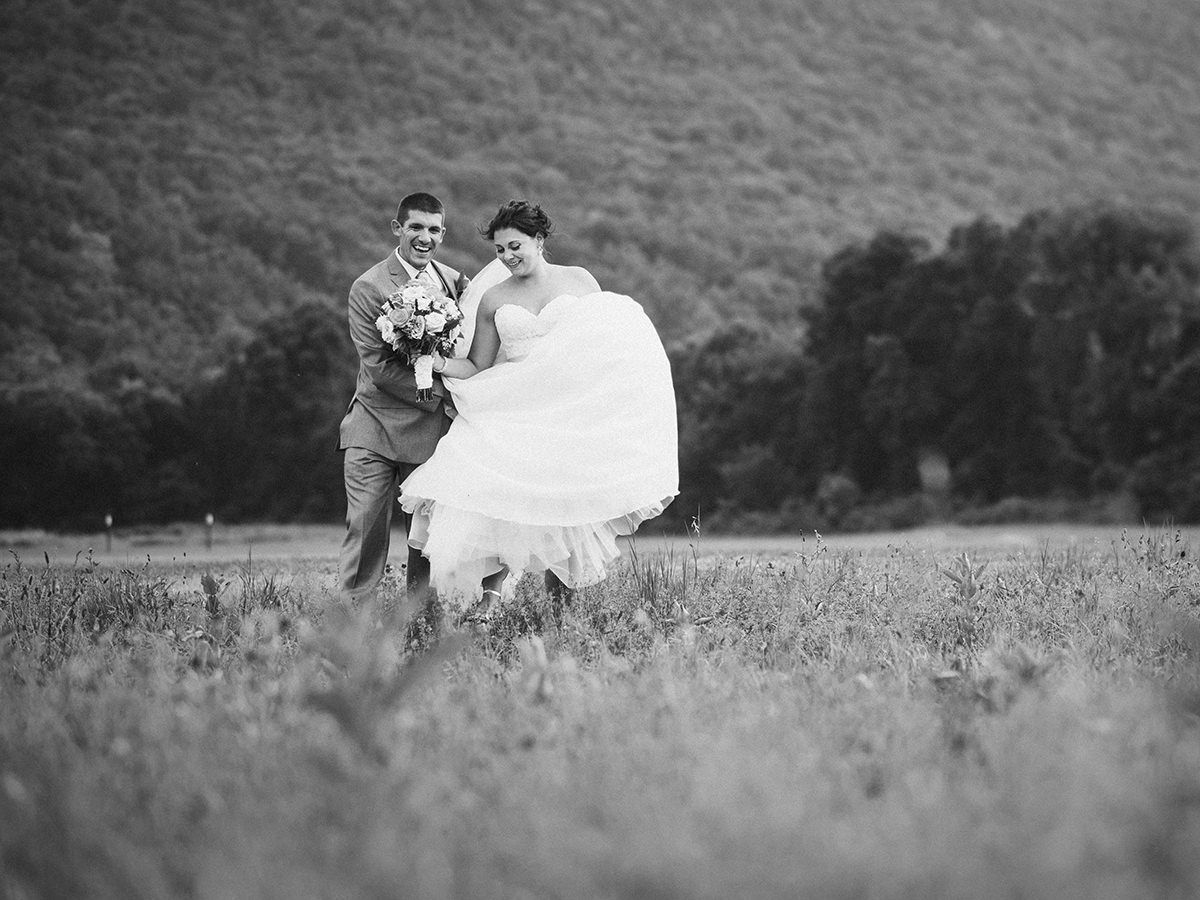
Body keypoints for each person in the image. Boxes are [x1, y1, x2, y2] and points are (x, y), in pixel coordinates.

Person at [399, 200, 678, 619]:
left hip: (568, 409)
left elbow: (604, 342)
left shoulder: (580, 280)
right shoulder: (494, 298)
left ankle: (558, 615)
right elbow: (476, 364)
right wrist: (432, 359)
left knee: (565, 510)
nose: (508, 257)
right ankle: (489, 602)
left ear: (540, 240)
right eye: (499, 250)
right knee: (498, 492)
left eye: (515, 246)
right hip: (515, 403)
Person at [337, 192, 470, 602]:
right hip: (374, 428)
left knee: (427, 533)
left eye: (433, 229)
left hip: (429, 436)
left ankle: (419, 617)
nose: (424, 237)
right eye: (415, 227)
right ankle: (352, 622)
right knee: (365, 527)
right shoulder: (369, 286)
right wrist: (445, 396)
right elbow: (378, 369)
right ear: (398, 229)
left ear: (443, 234)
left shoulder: (453, 281)